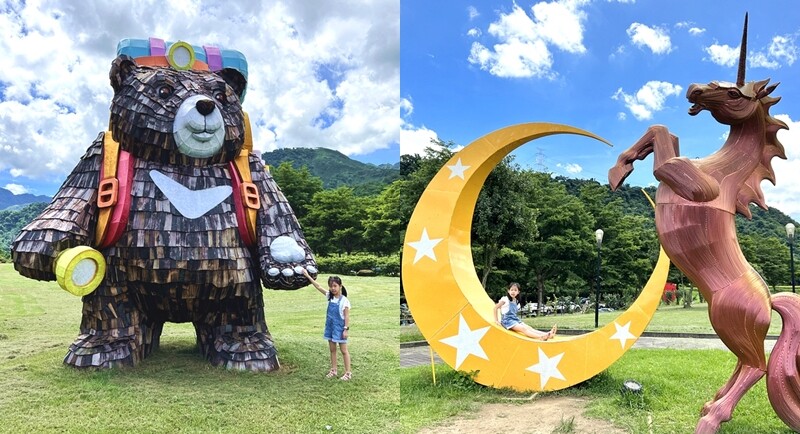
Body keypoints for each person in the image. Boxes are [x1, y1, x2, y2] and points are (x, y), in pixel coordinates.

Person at [302, 269, 352, 380]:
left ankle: (348, 373)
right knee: (332, 349)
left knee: (344, 350)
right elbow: (318, 286)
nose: (333, 288)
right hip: (330, 327)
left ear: (340, 286)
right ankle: (333, 370)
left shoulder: (345, 301)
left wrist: (345, 329)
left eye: (335, 286)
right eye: (331, 286)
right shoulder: (330, 296)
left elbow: (347, 316)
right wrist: (307, 276)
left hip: (340, 328)